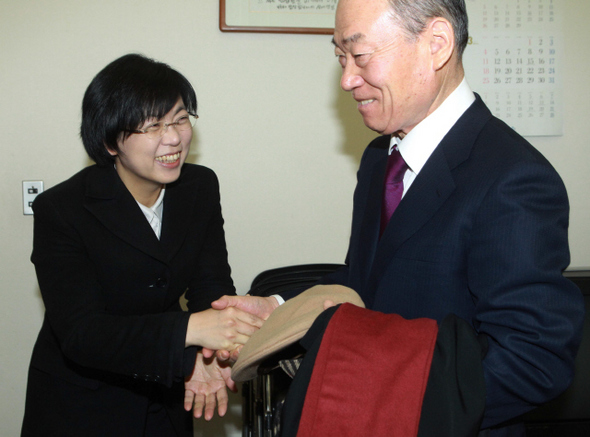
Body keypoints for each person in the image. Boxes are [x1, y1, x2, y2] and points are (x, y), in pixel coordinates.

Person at [211, 0, 585, 435]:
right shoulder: (380, 159)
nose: (348, 79)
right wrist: (278, 309)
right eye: (340, 57)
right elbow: (365, 282)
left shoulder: (514, 178)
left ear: (437, 44)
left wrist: (381, 405)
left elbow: (534, 361)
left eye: (361, 55)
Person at [21, 53, 263, 437]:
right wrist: (191, 332)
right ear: (110, 141)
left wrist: (210, 356)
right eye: (152, 126)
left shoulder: (199, 187)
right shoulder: (62, 209)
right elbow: (83, 334)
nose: (173, 138)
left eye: (180, 119)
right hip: (84, 404)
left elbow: (210, 285)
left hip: (167, 398)